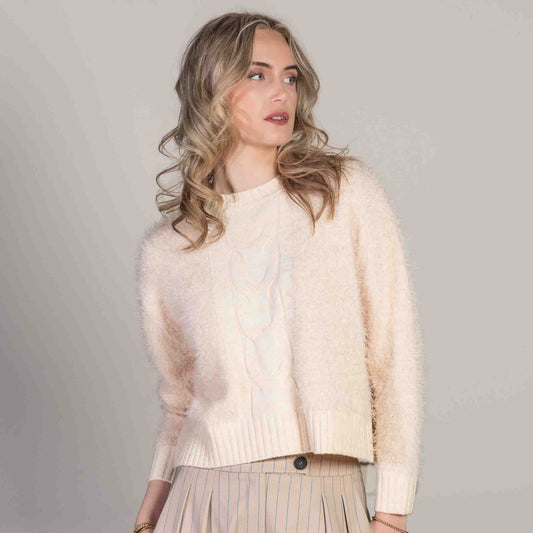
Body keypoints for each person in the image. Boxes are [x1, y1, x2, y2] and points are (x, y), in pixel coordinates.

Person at [133, 11, 424, 533]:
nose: (282, 92)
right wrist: (148, 517)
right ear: (211, 89)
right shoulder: (170, 248)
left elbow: (393, 357)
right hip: (200, 499)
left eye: (290, 77)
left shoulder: (340, 195)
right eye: (257, 74)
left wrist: (393, 512)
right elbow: (180, 403)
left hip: (320, 495)